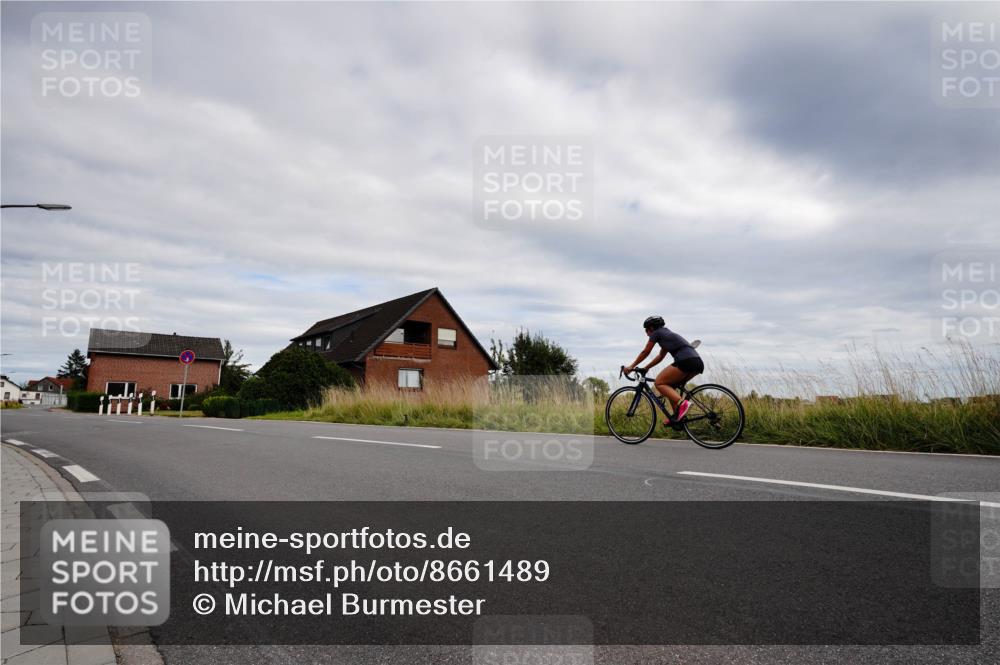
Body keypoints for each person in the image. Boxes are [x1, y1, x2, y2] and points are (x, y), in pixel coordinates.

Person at [624, 316, 704, 424]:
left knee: (659, 382)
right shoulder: (667, 335)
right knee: (670, 386)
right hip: (697, 362)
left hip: (685, 361)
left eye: (646, 330)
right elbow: (660, 356)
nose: (646, 334)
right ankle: (677, 417)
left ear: (651, 328)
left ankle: (683, 404)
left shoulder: (657, 333)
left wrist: (631, 366)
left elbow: (646, 352)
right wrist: (646, 368)